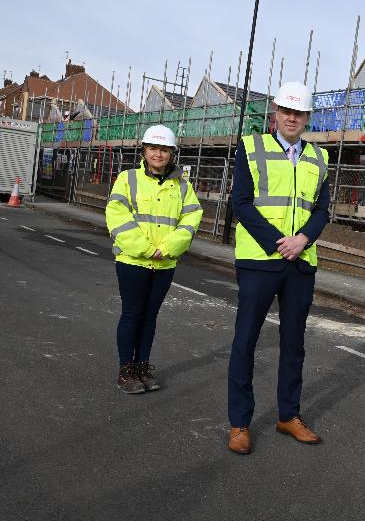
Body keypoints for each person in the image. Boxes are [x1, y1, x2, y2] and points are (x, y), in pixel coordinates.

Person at [227, 81, 330, 455]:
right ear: (275, 113)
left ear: (306, 118)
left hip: (300, 264)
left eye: (299, 113)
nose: (292, 118)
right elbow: (241, 203)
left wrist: (302, 240)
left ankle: (289, 416)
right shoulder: (251, 147)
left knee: (294, 345)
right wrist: (278, 242)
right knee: (245, 342)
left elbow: (322, 210)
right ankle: (239, 424)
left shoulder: (319, 158)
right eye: (286, 111)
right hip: (260, 261)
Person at [105, 124, 203, 393]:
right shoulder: (128, 179)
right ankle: (126, 371)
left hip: (165, 262)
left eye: (164, 149)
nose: (158, 154)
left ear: (172, 153)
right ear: (144, 150)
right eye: (153, 148)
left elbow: (192, 217)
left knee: (150, 317)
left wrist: (170, 246)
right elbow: (117, 216)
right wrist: (147, 248)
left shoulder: (183, 186)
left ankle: (142, 367)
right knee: (132, 314)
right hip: (133, 261)